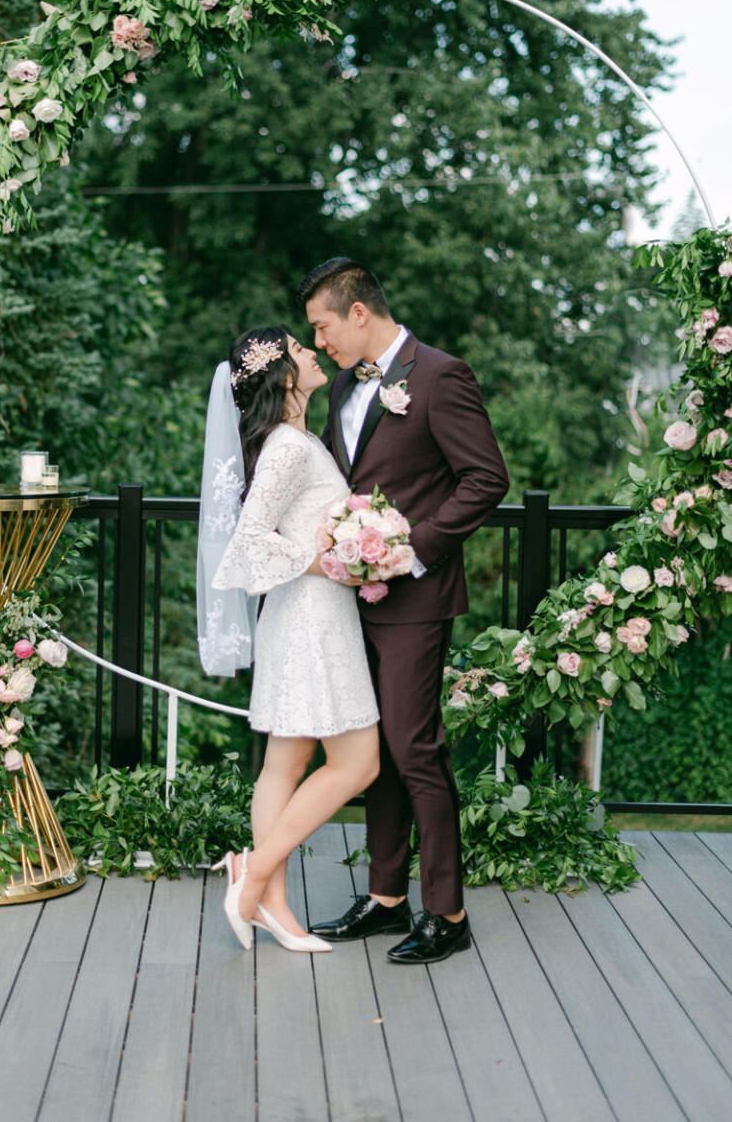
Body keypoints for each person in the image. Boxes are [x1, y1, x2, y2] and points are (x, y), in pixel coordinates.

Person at [297, 258, 509, 964]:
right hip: (350, 596)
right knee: (372, 746)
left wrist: (413, 548)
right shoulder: (345, 392)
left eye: (323, 326)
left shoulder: (441, 374)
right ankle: (387, 898)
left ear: (359, 312)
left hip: (417, 595)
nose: (320, 342)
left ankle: (446, 911)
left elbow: (486, 477)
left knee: (416, 747)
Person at [205, 326, 380, 952]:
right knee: (358, 763)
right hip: (311, 618)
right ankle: (252, 876)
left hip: (309, 614)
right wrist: (328, 555)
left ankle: (273, 904)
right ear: (283, 376)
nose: (312, 352)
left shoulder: (299, 440)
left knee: (286, 762)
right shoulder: (287, 446)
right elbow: (249, 540)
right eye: (299, 351)